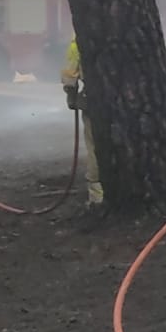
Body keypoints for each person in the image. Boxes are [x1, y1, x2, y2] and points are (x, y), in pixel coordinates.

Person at [60, 39, 102, 208]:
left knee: (95, 148)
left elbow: (70, 76)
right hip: (127, 104)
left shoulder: (79, 41)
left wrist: (71, 98)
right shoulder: (127, 29)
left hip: (93, 103)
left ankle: (98, 196)